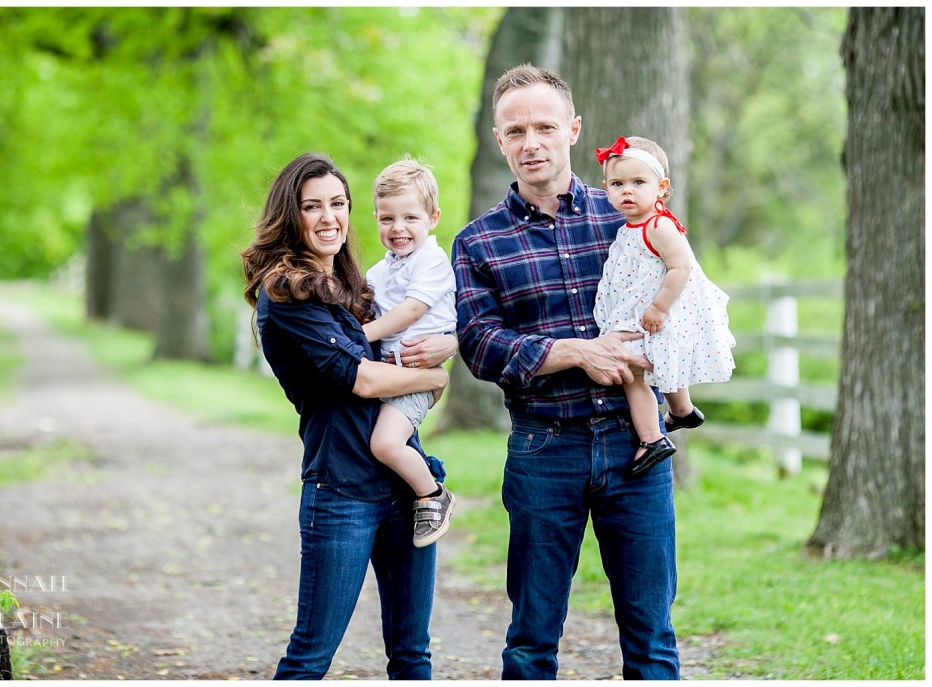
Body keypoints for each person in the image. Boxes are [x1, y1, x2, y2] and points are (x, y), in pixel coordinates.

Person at [451, 64, 680, 679]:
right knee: (531, 639)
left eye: (545, 127)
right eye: (516, 130)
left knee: (652, 636)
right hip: (543, 449)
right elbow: (478, 345)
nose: (532, 143)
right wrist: (580, 351)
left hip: (638, 449)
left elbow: (681, 301)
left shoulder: (627, 215)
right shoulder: (478, 243)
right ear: (500, 140)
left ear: (573, 130)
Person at [241, 152, 457, 680]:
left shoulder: (355, 285)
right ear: (289, 216)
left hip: (402, 491)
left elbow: (429, 328)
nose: (328, 216)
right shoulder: (286, 295)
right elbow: (362, 377)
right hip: (341, 490)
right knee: (311, 655)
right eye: (311, 206)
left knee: (411, 654)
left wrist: (447, 346)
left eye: (338, 203)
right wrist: (435, 378)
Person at [593, 135, 736, 478]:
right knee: (662, 365)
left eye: (638, 182)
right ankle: (683, 410)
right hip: (638, 310)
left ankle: (652, 438)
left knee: (633, 372)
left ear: (662, 187)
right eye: (617, 183)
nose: (627, 191)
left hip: (654, 314)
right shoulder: (632, 227)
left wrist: (658, 308)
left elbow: (682, 267)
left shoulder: (658, 226)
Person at [362, 157, 457, 548]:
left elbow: (412, 311)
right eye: (387, 219)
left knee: (385, 444)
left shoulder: (431, 261)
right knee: (386, 444)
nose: (398, 228)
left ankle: (433, 495)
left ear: (433, 218)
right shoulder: (377, 273)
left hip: (415, 376)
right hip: (389, 375)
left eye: (410, 218)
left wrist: (362, 332)